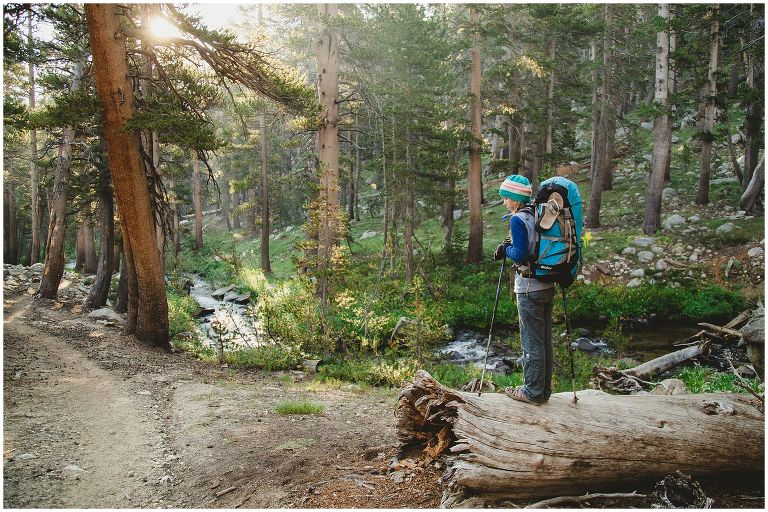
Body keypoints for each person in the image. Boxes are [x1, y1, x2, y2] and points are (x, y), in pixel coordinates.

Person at [494, 175, 555, 405]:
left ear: (515, 198)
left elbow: (520, 254)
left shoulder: (518, 220)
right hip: (547, 284)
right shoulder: (537, 214)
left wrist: (504, 250)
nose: (504, 202)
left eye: (506, 198)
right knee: (545, 341)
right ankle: (543, 390)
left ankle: (532, 392)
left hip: (529, 288)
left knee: (531, 341)